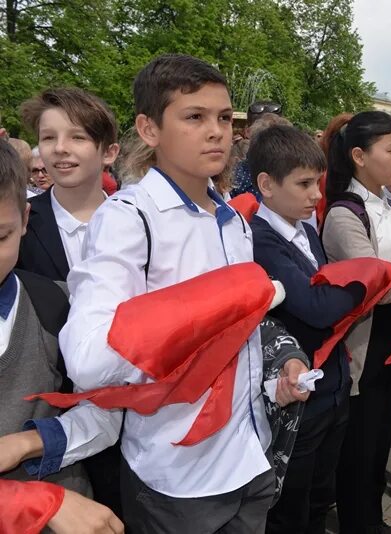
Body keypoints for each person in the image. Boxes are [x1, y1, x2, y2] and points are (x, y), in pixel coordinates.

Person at [59, 53, 308, 533]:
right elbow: (88, 359)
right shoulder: (130, 219)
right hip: (177, 472)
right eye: (194, 117)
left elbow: (241, 330)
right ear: (149, 130)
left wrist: (279, 363)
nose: (216, 131)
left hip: (248, 450)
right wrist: (201, 313)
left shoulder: (232, 218)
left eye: (222, 117)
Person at [0, 139, 123, 534]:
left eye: (1, 236)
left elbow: (107, 409)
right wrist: (31, 504)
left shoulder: (57, 303)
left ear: (25, 218)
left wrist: (28, 443)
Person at [247, 125, 361, 533]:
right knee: (291, 503)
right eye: (304, 183)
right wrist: (366, 279)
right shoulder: (260, 241)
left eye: (319, 182)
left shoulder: (305, 230)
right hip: (298, 395)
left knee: (319, 492)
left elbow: (327, 294)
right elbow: (316, 307)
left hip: (330, 384)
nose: (316, 194)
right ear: (267, 185)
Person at [321, 110, 391, 534]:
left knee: (379, 435)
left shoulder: (387, 204)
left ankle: (371, 520)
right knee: (360, 445)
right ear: (360, 156)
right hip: (365, 340)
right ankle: (358, 523)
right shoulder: (346, 213)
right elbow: (374, 286)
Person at [16, 88, 120, 282]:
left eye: (78, 137)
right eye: (48, 137)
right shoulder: (20, 224)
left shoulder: (139, 221)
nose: (60, 148)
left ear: (108, 153)